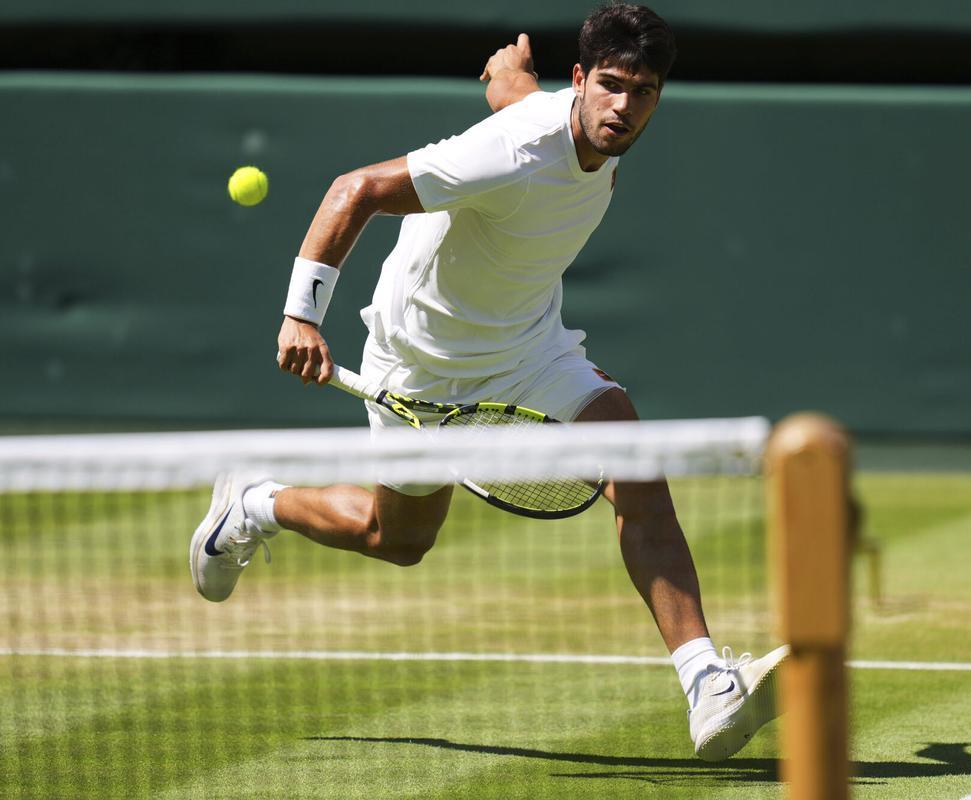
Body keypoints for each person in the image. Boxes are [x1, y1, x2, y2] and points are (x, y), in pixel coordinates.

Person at [190, 3, 786, 762]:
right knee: (396, 539)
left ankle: (707, 685)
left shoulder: (578, 124)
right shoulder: (515, 149)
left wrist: (509, 76)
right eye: (610, 85)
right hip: (421, 363)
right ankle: (254, 504)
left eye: (643, 92)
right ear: (581, 79)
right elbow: (355, 189)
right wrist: (300, 317)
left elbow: (518, 100)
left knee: (636, 461)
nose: (624, 107)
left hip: (530, 350)